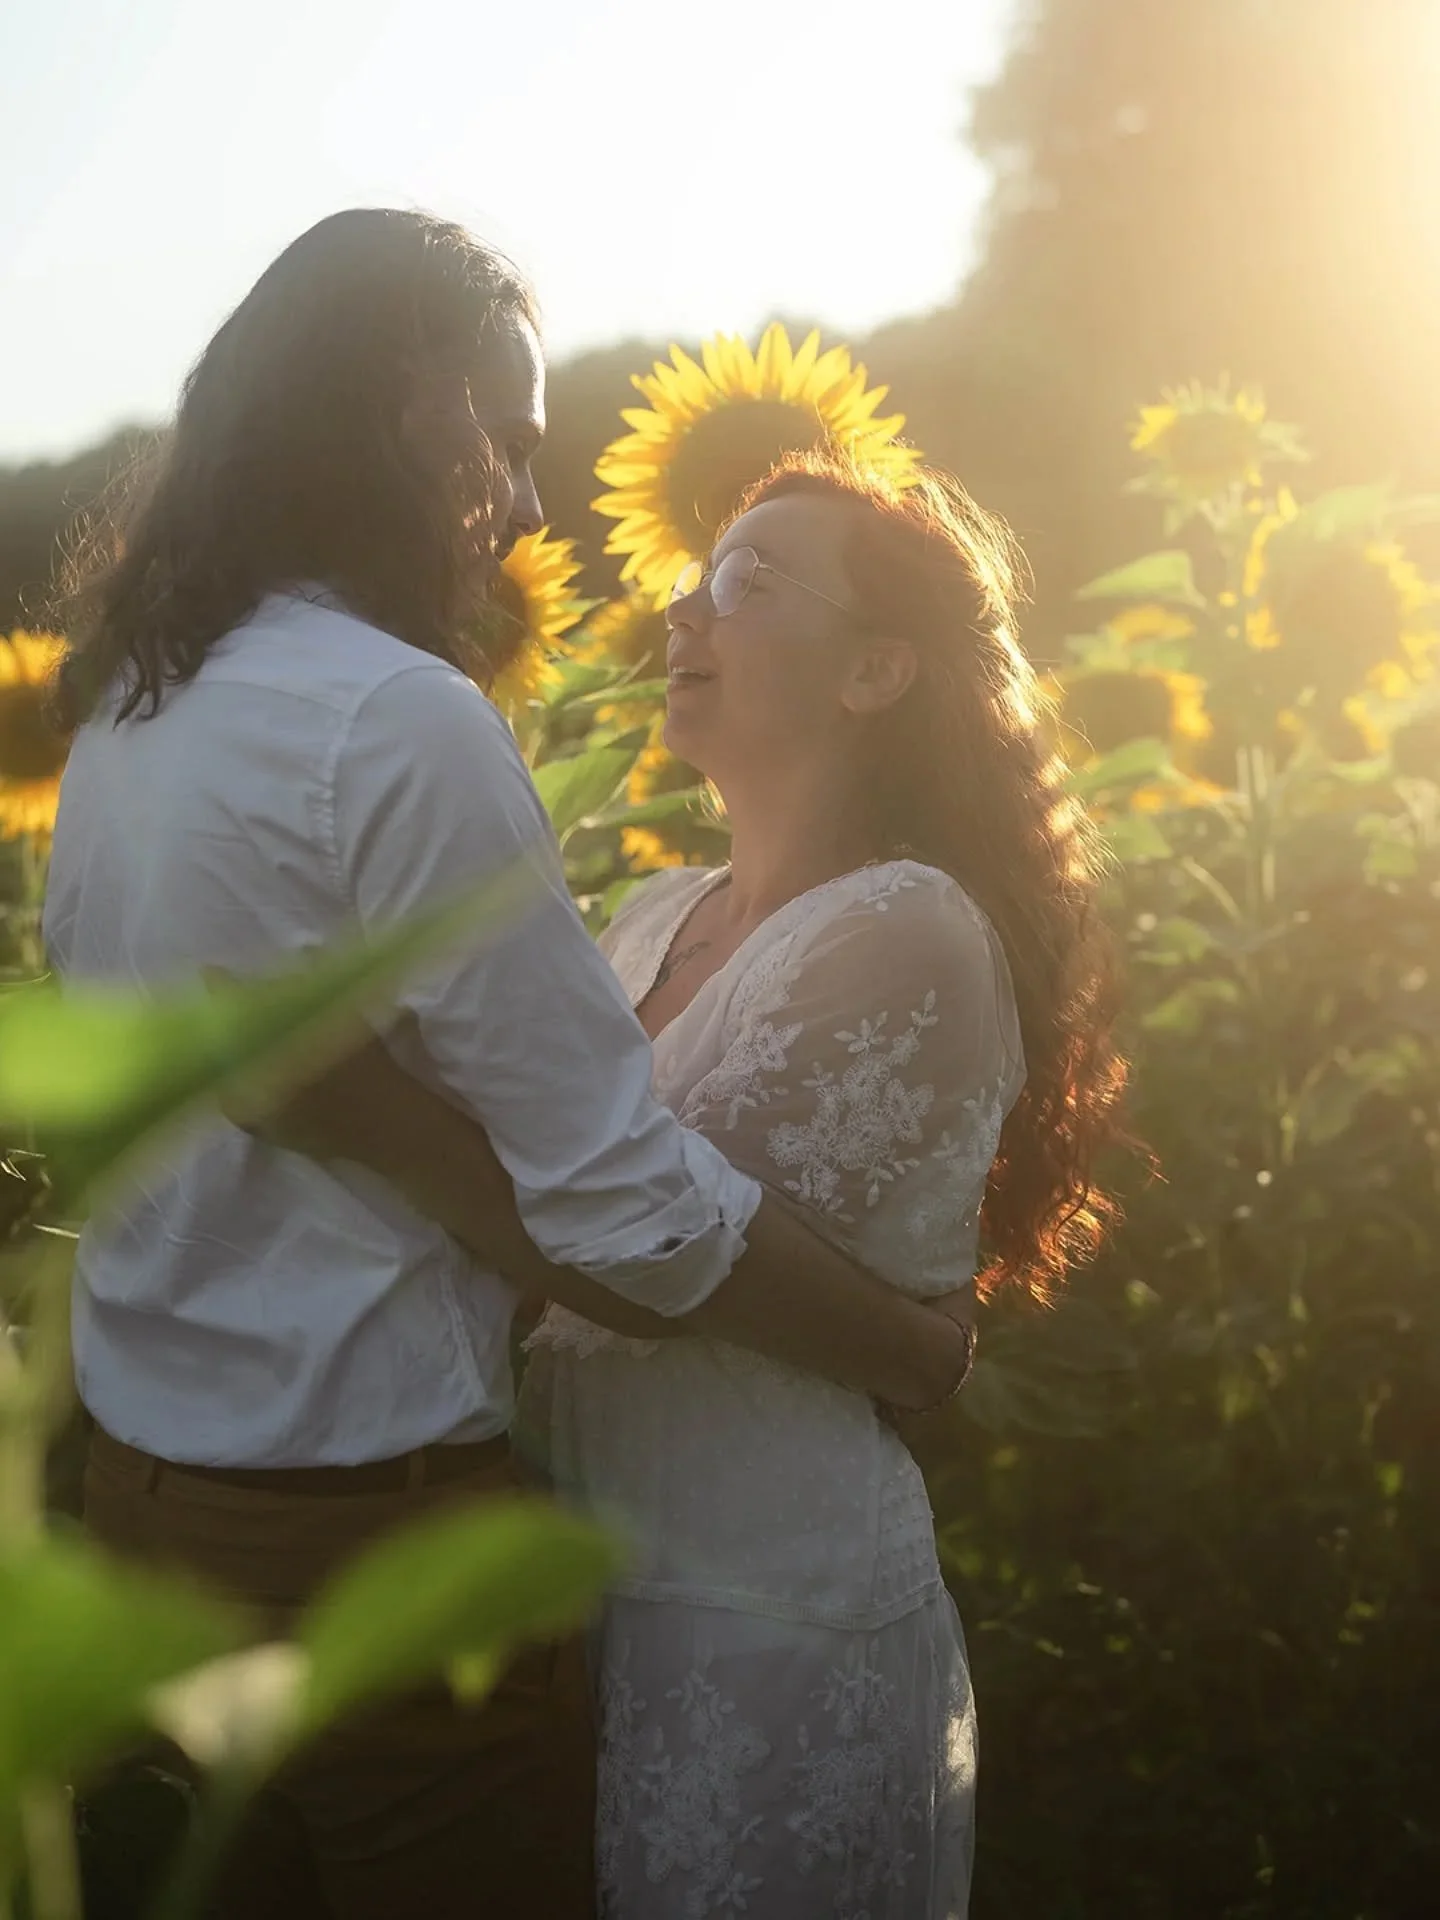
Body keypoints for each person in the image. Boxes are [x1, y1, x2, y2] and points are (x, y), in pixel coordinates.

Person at [41, 211, 978, 1920]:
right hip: (373, 1539)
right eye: (515, 443)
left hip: (151, 1514)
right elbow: (621, 1206)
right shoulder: (392, 714)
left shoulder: (127, 716)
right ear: (416, 406)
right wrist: (911, 1344)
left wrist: (398, 1129)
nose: (534, 509)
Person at [246, 448, 1130, 1917]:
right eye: (697, 571)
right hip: (576, 1582)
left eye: (750, 580)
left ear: (876, 673)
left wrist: (365, 1111)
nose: (684, 608)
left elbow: (627, 1242)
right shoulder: (655, 911)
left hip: (761, 1606)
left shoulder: (905, 925)